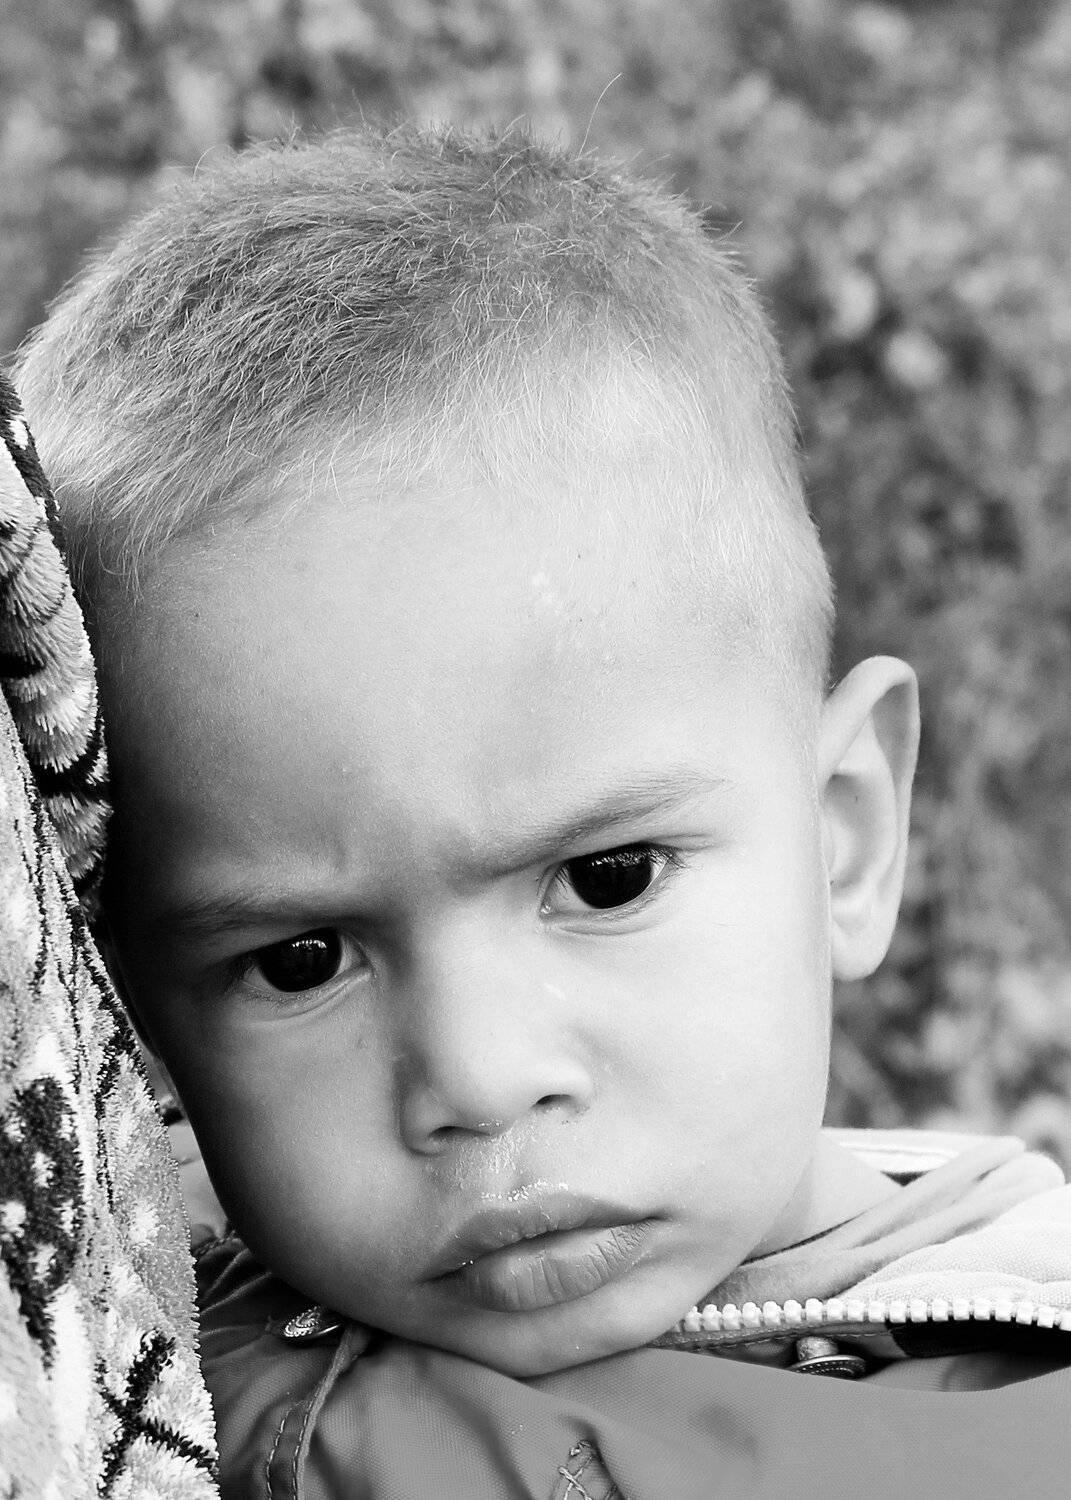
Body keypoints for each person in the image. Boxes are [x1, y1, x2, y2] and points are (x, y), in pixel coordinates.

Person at [13, 123, 1071, 1499]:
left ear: (847, 839)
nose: (480, 1075)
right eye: (301, 961)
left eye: (609, 878)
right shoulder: (122, 1363)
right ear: (132, 1024)